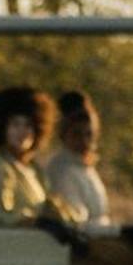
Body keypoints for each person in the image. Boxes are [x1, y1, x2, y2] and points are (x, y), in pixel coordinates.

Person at [0, 85, 83, 228]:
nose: (22, 132)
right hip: (12, 244)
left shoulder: (34, 169)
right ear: (2, 128)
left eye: (28, 125)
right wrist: (38, 221)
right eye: (15, 125)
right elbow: (2, 214)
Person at [45, 91, 111, 230]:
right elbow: (77, 223)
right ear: (64, 134)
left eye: (89, 134)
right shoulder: (61, 170)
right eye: (77, 134)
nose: (84, 142)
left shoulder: (85, 167)